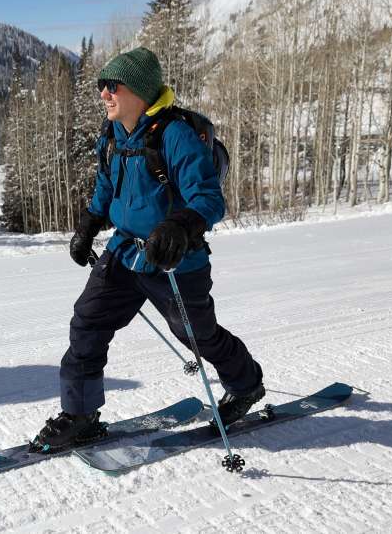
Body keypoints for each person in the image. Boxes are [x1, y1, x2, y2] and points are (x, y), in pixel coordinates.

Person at [35, 47, 264, 450]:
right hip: (124, 254)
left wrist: (180, 225)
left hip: (174, 260)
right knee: (87, 323)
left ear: (138, 91)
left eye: (111, 87)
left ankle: (246, 385)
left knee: (197, 335)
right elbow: (107, 187)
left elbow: (209, 199)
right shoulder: (111, 135)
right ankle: (80, 415)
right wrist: (89, 225)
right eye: (100, 87)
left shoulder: (175, 135)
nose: (103, 95)